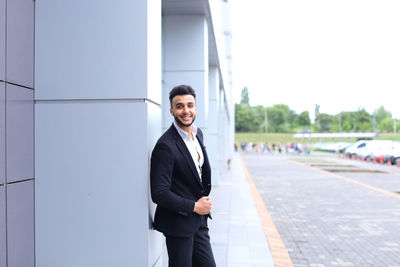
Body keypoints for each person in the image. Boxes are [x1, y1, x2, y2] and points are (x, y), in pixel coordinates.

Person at [150, 85, 216, 267]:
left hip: (198, 221)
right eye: (179, 106)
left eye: (190, 105)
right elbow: (159, 193)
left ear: (195, 108)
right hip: (178, 224)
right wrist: (195, 206)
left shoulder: (198, 134)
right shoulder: (165, 145)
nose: (185, 110)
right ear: (172, 111)